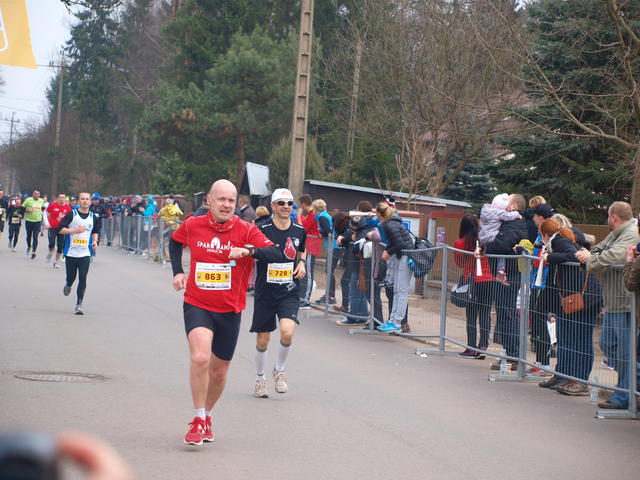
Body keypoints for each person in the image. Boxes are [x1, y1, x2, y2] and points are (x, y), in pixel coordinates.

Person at [168, 179, 282, 446]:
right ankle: (198, 418)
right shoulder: (193, 225)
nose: (226, 205)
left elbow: (275, 254)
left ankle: (207, 415)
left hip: (230, 309)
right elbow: (174, 243)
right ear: (209, 200)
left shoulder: (246, 229)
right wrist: (178, 272)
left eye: (231, 200)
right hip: (197, 303)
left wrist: (249, 250)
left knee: (219, 372)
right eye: (221, 199)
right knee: (200, 358)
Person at [575, 201, 640, 410]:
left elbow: (616, 255)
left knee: (625, 351)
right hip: (613, 300)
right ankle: (629, 386)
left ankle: (626, 393)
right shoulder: (616, 233)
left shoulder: (631, 233)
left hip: (625, 301)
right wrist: (588, 255)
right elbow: (600, 248)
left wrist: (589, 260)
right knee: (608, 344)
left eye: (608, 216)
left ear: (613, 216)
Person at [250, 188, 306, 398]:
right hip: (266, 291)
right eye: (281, 203)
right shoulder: (262, 228)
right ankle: (260, 378)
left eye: (290, 203)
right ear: (273, 206)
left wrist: (301, 262)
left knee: (287, 332)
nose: (286, 207)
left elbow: (302, 248)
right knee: (263, 339)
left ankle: (279, 370)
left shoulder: (299, 230)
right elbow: (252, 250)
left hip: (289, 290)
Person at [538, 218, 603, 395]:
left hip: (586, 297)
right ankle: (565, 376)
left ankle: (580, 381)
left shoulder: (560, 241)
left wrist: (549, 257)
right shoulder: (561, 240)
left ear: (546, 235)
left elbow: (572, 255)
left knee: (580, 340)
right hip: (576, 296)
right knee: (569, 338)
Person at [482, 194, 528, 371]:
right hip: (505, 273)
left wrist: (486, 248)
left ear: (514, 206)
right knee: (504, 313)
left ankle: (514, 355)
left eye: (507, 201)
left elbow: (503, 244)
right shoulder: (508, 221)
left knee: (507, 314)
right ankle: (510, 353)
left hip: (509, 274)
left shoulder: (514, 223)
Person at [454, 214, 494, 358]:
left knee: (471, 314)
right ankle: (483, 346)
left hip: (470, 279)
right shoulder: (484, 240)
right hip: (488, 278)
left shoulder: (459, 242)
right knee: (485, 312)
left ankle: (471, 347)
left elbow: (459, 263)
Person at [58, 192, 101, 315]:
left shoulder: (93, 217)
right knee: (71, 277)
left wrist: (95, 241)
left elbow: (95, 231)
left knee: (83, 277)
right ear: (78, 201)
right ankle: (68, 284)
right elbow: (60, 229)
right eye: (82, 199)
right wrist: (74, 231)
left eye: (87, 199)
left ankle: (79, 304)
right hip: (71, 252)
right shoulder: (72, 214)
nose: (85, 201)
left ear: (90, 201)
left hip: (85, 253)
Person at [375, 201, 415, 332]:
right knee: (397, 290)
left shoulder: (389, 225)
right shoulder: (392, 223)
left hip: (405, 257)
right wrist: (389, 249)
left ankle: (397, 322)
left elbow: (400, 244)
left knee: (401, 291)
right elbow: (396, 242)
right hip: (401, 256)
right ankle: (392, 320)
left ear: (379, 213)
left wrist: (388, 251)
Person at [527, 203, 556, 377]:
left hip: (542, 284)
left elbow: (542, 259)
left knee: (540, 323)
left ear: (541, 218)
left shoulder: (548, 235)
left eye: (534, 216)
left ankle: (544, 364)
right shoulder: (539, 234)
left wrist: (531, 255)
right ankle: (539, 361)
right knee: (536, 324)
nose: (532, 219)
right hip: (535, 282)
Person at [479, 193, 522, 285]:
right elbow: (508, 216)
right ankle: (501, 272)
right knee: (501, 253)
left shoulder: (485, 209)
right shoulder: (499, 212)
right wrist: (517, 214)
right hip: (492, 236)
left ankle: (497, 273)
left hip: (483, 236)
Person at [297, 194, 320, 308]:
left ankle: (306, 299)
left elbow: (302, 229)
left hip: (311, 247)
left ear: (303, 204)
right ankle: (302, 297)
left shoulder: (312, 215)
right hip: (308, 247)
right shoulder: (311, 215)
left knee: (309, 274)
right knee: (305, 273)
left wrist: (298, 215)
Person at [312, 199, 336, 305]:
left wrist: (321, 234)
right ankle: (329, 295)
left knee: (329, 270)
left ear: (315, 208)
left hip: (334, 245)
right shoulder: (323, 215)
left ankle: (330, 296)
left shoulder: (322, 217)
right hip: (333, 245)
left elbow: (327, 230)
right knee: (329, 270)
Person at [45, 193, 71, 268]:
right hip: (52, 227)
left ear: (65, 199)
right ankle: (50, 252)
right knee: (51, 243)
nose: (62, 199)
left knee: (60, 246)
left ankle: (56, 262)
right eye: (60, 197)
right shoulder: (53, 205)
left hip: (62, 229)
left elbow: (70, 218)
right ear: (58, 198)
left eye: (63, 197)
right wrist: (46, 223)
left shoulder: (67, 207)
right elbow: (45, 213)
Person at [22, 189, 45, 259]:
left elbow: (43, 208)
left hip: (37, 221)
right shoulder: (28, 200)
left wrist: (43, 214)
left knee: (35, 237)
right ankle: (29, 246)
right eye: (35, 193)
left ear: (39, 195)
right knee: (28, 236)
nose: (36, 195)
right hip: (29, 221)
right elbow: (21, 208)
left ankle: (33, 252)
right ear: (33, 194)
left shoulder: (41, 201)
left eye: (38, 194)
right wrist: (26, 210)